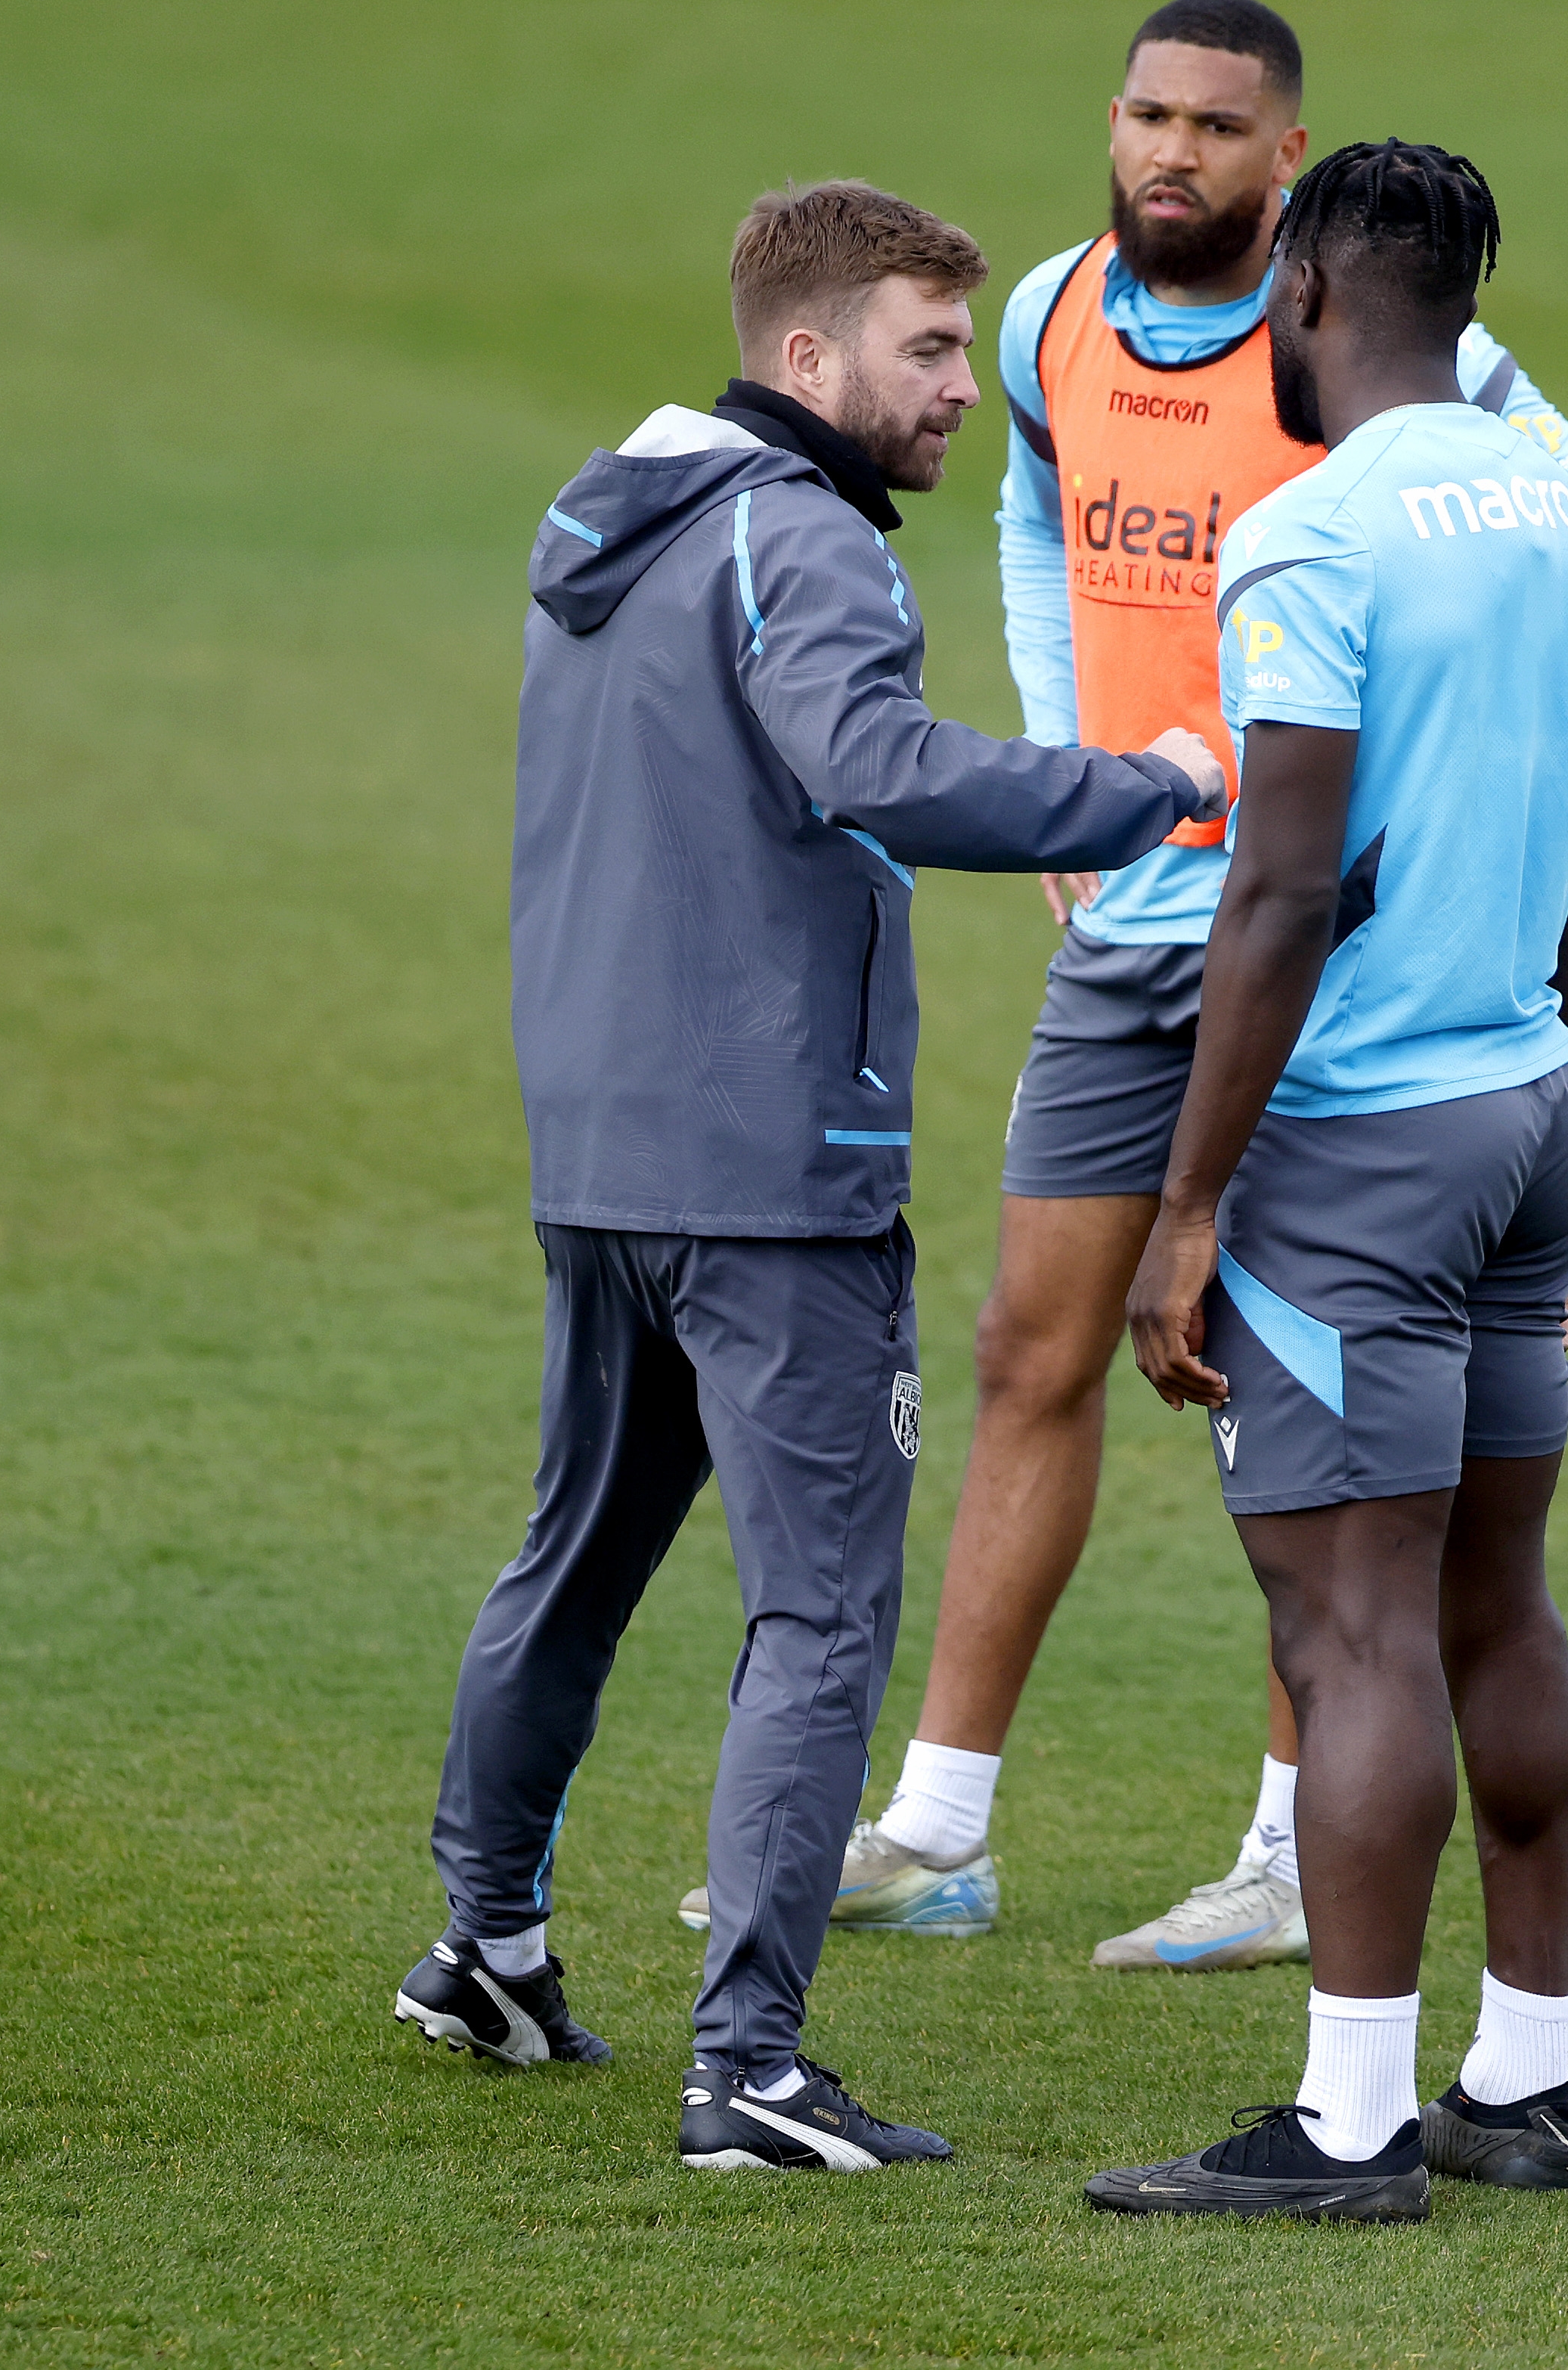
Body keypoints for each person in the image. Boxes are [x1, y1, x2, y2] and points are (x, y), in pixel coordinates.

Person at [796, 0, 1568, 1974]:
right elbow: (1041, 526)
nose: (1168, 154)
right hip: (1136, 918)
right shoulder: (1045, 321)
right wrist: (1070, 783)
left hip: (1309, 947)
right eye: (1143, 114)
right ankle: (938, 1825)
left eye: (1216, 126)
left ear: (1290, 174)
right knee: (1035, 1344)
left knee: (1295, 1409)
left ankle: (1299, 1855)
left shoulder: (1404, 371)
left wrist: (1454, 808)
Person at [390, 181, 1226, 2178]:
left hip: (601, 1147)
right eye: (927, 350)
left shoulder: (612, 524)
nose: (964, 388)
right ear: (806, 357)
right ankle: (750, 2070)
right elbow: (876, 765)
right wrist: (1157, 787)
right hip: (775, 1165)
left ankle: (485, 1947)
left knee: (573, 1556)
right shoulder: (803, 538)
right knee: (826, 1616)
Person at [1081, 141, 1568, 2221]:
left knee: (1350, 1631)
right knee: (1493, 1597)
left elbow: (1283, 888)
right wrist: (1543, 1119)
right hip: (1530, 1112)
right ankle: (1522, 2083)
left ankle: (1345, 2132)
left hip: (1362, 1150)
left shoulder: (1310, 536)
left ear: (1309, 289)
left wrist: (1190, 1201)